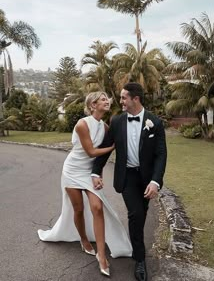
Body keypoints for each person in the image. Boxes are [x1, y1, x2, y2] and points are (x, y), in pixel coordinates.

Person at [38, 91, 132, 277]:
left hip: (88, 173)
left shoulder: (105, 127)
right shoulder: (82, 124)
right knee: (78, 209)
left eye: (107, 99)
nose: (107, 101)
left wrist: (98, 174)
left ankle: (102, 256)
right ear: (92, 105)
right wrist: (114, 147)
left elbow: (101, 158)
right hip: (72, 171)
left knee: (97, 207)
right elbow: (91, 152)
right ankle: (83, 239)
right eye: (102, 99)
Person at [92, 83, 167, 281]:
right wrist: (95, 172)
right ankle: (140, 260)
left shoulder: (155, 122)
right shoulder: (116, 121)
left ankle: (136, 245)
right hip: (127, 177)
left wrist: (155, 181)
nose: (121, 101)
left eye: (124, 97)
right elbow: (106, 147)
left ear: (136, 99)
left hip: (146, 178)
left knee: (140, 214)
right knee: (135, 214)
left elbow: (161, 154)